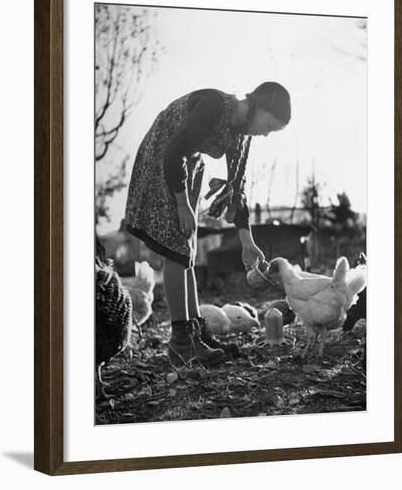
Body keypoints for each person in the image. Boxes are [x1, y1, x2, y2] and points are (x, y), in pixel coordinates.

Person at [124, 82, 291, 367]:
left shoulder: (242, 136)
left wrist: (247, 241)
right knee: (176, 248)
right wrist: (180, 202)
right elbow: (173, 150)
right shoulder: (215, 105)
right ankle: (180, 342)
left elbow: (237, 188)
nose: (265, 133)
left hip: (187, 167)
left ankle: (195, 331)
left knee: (187, 249)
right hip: (164, 157)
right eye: (269, 125)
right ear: (259, 105)